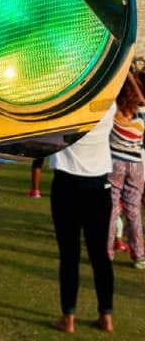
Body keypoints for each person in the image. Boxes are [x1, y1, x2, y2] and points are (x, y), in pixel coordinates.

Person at [50, 104, 116, 334]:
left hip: (66, 182)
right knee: (100, 255)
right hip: (98, 184)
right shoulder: (108, 106)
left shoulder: (67, 106)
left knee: (69, 255)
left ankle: (68, 317)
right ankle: (106, 315)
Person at [107, 72, 145, 268]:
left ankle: (107, 253)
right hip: (136, 165)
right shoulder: (141, 113)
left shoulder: (112, 111)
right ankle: (139, 255)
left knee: (112, 209)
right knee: (134, 210)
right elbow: (140, 98)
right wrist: (130, 77)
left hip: (114, 163)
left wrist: (122, 74)